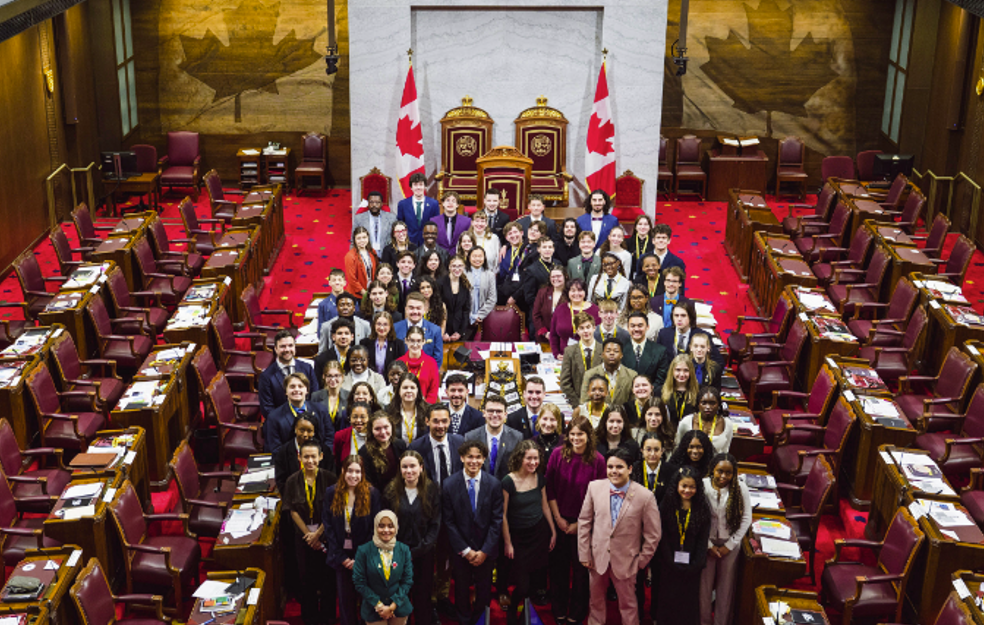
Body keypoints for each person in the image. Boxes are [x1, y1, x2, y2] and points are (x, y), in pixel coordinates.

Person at [578, 446, 662, 625]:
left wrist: (641, 561)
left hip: (627, 561)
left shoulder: (645, 496)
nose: (614, 471)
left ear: (630, 469)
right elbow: (584, 522)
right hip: (597, 558)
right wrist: (584, 553)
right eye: (610, 467)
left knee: (628, 605)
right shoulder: (594, 487)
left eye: (619, 467)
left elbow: (653, 534)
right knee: (595, 602)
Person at [545, 416, 606, 625]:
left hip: (586, 524)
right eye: (572, 434)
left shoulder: (598, 460)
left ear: (589, 436)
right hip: (559, 520)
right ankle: (559, 611)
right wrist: (559, 519)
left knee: (581, 574)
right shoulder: (556, 455)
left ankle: (576, 614)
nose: (575, 438)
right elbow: (549, 487)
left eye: (580, 434)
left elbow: (601, 495)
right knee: (558, 570)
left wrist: (580, 525)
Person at [443, 440, 504, 625]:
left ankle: (480, 620)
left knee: (484, 589)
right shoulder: (449, 484)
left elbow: (497, 520)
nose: (474, 461)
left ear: (484, 458)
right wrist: (466, 550)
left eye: (478, 457)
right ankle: (463, 619)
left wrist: (484, 551)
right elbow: (449, 522)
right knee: (461, 588)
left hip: (486, 550)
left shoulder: (494, 484)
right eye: (470, 456)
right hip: (461, 551)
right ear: (462, 457)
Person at [501, 440, 557, 625]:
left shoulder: (540, 478)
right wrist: (508, 543)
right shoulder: (508, 481)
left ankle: (525, 613)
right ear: (520, 458)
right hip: (518, 538)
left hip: (539, 534)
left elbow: (545, 507)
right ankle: (512, 608)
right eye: (529, 458)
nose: (534, 462)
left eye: (536, 458)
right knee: (522, 585)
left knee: (534, 582)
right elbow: (503, 515)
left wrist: (553, 531)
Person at [323, 455, 382, 625]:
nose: (353, 475)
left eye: (357, 471)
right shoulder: (331, 492)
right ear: (343, 471)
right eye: (350, 471)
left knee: (366, 599)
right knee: (345, 600)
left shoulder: (372, 494)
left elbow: (374, 528)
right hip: (340, 555)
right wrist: (342, 558)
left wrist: (359, 558)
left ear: (363, 473)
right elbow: (328, 527)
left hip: (364, 554)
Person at [284, 439, 338, 625]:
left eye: (313, 456)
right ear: (299, 457)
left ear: (321, 457)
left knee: (328, 578)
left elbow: (334, 509)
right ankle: (310, 618)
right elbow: (292, 510)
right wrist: (308, 534)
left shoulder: (331, 479)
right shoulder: (292, 481)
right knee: (307, 578)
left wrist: (318, 534)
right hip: (303, 537)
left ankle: (328, 617)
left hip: (326, 536)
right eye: (305, 457)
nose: (310, 461)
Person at [383, 452, 440, 625]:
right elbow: (384, 524)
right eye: (405, 467)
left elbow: (435, 524)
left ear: (421, 467)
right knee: (400, 596)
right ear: (400, 469)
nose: (409, 471)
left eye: (413, 466)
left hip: (424, 553)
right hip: (396, 554)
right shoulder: (390, 491)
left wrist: (422, 548)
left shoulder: (432, 490)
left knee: (423, 595)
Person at [699, 453, 752, 625]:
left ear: (734, 473)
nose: (723, 476)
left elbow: (746, 519)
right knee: (704, 588)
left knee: (725, 588)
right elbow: (696, 518)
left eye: (728, 473)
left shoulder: (740, 488)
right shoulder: (703, 485)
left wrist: (730, 545)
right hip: (706, 543)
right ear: (712, 469)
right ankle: (704, 621)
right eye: (720, 471)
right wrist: (708, 545)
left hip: (730, 544)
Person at [656, 465, 711, 625]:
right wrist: (669, 561)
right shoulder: (666, 506)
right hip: (669, 563)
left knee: (688, 603)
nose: (687, 490)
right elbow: (662, 536)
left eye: (692, 487)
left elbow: (703, 539)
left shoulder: (702, 508)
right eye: (684, 486)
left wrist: (696, 564)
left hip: (692, 565)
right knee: (668, 600)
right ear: (677, 486)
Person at [632, 433, 670, 622]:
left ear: (663, 451)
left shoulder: (671, 471)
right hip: (636, 532)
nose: (652, 454)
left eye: (656, 450)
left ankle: (656, 615)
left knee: (660, 578)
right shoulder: (635, 470)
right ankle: (637, 615)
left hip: (662, 532)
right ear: (642, 450)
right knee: (637, 578)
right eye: (648, 449)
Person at [352, 510, 414, 625]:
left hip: (399, 607)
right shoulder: (364, 550)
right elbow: (359, 582)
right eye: (381, 526)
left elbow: (407, 581)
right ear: (375, 527)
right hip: (373, 608)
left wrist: (392, 606)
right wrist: (379, 606)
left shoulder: (404, 550)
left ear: (396, 527)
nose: (386, 530)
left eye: (390, 526)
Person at [264, 372, 335, 457]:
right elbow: (275, 448)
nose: (296, 390)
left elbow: (330, 439)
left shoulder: (321, 410)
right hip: (290, 464)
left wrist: (318, 457)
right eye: (292, 387)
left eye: (300, 386)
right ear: (285, 391)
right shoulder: (274, 417)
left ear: (307, 390)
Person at [259, 330, 318, 419]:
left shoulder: (307, 368)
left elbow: (315, 397)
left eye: (290, 346)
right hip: (281, 424)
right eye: (283, 346)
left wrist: (305, 419)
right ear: (276, 349)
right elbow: (267, 409)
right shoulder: (266, 377)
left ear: (295, 347)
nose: (287, 350)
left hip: (307, 420)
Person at [464, 395, 523, 480]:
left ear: (505, 414)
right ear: (484, 413)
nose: (495, 415)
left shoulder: (517, 437)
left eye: (499, 411)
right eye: (490, 411)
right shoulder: (471, 437)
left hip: (506, 488)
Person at [409, 403, 464, 486]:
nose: (440, 426)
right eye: (435, 421)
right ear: (427, 421)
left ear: (450, 421)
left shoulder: (460, 443)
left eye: (444, 421)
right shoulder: (416, 448)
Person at [656, 302, 722, 368]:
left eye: (683, 315)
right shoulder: (664, 334)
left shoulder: (703, 335)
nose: (679, 319)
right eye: (676, 315)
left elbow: (719, 362)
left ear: (690, 317)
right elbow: (657, 359)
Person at [549, 279, 600, 358]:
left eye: (580, 290)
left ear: (585, 292)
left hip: (589, 357)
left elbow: (600, 336)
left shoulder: (595, 310)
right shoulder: (560, 309)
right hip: (565, 356)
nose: (576, 293)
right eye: (573, 290)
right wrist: (556, 353)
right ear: (568, 293)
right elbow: (553, 335)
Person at [560, 312, 602, 406]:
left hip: (601, 403)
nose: (585, 331)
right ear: (577, 331)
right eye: (581, 328)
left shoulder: (604, 350)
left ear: (594, 328)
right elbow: (565, 383)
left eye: (588, 327)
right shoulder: (569, 351)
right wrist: (578, 404)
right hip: (578, 403)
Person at [273, 414, 323, 494]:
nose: (305, 435)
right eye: (302, 430)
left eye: (309, 431)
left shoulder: (324, 450)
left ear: (314, 432)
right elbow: (281, 482)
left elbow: (328, 480)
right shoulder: (283, 452)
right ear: (295, 429)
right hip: (292, 498)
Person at [677, 386, 734, 454]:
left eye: (712, 403)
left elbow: (725, 451)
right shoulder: (686, 422)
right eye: (704, 403)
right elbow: (678, 448)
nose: (708, 407)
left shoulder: (727, 423)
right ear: (698, 404)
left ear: (719, 405)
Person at [580, 338, 638, 407]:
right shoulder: (590, 374)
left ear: (621, 355)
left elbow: (634, 402)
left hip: (623, 416)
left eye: (616, 351)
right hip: (598, 416)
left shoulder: (632, 375)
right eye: (608, 351)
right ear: (602, 354)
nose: (612, 353)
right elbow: (584, 401)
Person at [360, 412, 408, 491]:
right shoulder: (364, 452)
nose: (383, 432)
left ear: (392, 426)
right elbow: (367, 482)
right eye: (377, 429)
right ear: (371, 431)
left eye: (386, 427)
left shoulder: (400, 445)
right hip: (378, 495)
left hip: (400, 492)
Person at [624, 311, 670, 389]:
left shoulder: (660, 351)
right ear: (628, 328)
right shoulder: (620, 349)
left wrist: (645, 391)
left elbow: (660, 380)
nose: (636, 329)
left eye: (640, 326)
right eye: (632, 326)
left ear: (647, 327)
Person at [394, 293, 443, 362]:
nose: (415, 312)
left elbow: (437, 358)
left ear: (424, 310)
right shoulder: (395, 328)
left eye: (418, 308)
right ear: (406, 309)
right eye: (411, 308)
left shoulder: (435, 330)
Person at [395, 327, 439, 404]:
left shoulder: (431, 363)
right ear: (406, 341)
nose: (415, 345)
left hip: (425, 408)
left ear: (423, 342)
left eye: (419, 341)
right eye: (412, 341)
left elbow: (433, 391)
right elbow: (395, 389)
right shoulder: (399, 362)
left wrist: (425, 408)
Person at [520, 238, 561, 318]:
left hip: (558, 311)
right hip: (540, 314)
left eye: (550, 247)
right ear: (538, 249)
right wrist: (548, 304)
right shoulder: (531, 270)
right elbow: (529, 297)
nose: (547, 250)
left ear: (553, 249)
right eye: (544, 247)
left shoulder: (558, 264)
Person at [396, 172, 440, 246]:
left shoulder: (434, 204)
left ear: (425, 186)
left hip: (427, 243)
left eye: (421, 184)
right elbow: (400, 224)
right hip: (408, 243)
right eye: (415, 185)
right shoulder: (403, 204)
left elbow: (436, 224)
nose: (418, 187)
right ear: (411, 187)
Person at [388, 372, 429, 444]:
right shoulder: (389, 410)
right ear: (399, 391)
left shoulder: (428, 410)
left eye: (412, 388)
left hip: (421, 453)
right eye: (405, 388)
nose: (409, 391)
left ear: (418, 391)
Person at [361, 311, 406, 377]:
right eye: (379, 324)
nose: (381, 328)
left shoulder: (398, 344)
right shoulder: (365, 343)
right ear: (374, 325)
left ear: (390, 326)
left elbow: (401, 367)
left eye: (385, 324)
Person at [497, 222, 532, 307]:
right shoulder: (505, 253)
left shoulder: (529, 251)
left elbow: (529, 278)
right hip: (507, 293)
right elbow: (502, 276)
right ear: (506, 238)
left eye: (515, 232)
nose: (513, 235)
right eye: (510, 234)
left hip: (523, 295)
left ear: (522, 233)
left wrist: (515, 296)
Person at [661, 354, 700, 428]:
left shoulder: (699, 392)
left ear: (691, 372)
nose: (682, 374)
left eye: (686, 370)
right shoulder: (660, 391)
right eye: (678, 370)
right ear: (672, 371)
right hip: (667, 434)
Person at [439, 255, 471, 342]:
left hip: (458, 330)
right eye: (454, 266)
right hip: (443, 329)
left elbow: (466, 310)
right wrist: (442, 331)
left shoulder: (465, 284)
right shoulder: (440, 283)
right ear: (449, 267)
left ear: (464, 267)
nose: (457, 268)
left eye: (460, 266)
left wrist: (461, 332)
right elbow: (437, 309)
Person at [353, 191, 396, 256]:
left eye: (377, 202)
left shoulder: (391, 218)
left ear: (381, 204)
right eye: (371, 202)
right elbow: (353, 240)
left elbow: (395, 239)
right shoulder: (359, 218)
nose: (374, 205)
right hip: (365, 254)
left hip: (386, 254)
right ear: (368, 203)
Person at [333, 401, 372, 472]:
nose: (358, 420)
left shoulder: (375, 436)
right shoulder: (340, 436)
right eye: (355, 417)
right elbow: (338, 463)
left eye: (363, 417)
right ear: (350, 418)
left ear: (369, 418)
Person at [532, 267, 567, 341]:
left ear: (565, 276)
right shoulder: (542, 292)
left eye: (558, 276)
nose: (556, 279)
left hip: (563, 339)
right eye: (553, 277)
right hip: (544, 338)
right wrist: (545, 333)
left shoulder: (570, 293)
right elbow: (536, 315)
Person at [312, 361, 349, 430]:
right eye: (329, 376)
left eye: (336, 375)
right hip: (322, 438)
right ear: (324, 376)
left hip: (343, 438)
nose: (332, 379)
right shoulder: (315, 396)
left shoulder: (349, 396)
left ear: (342, 377)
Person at [316, 316, 354, 383]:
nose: (343, 337)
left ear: (352, 337)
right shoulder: (321, 359)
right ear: (333, 337)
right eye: (339, 333)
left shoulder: (358, 357)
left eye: (346, 333)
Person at [464, 246, 497, 326]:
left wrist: (479, 315)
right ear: (469, 257)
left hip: (484, 317)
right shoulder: (463, 273)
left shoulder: (490, 275)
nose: (477, 259)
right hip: (464, 317)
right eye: (474, 256)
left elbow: (492, 298)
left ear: (484, 258)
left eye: (480, 256)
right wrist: (470, 315)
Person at [344, 227, 378, 299]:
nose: (362, 240)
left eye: (364, 237)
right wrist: (364, 293)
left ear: (368, 238)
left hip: (371, 291)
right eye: (359, 238)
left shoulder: (372, 252)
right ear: (355, 240)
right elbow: (352, 279)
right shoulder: (350, 256)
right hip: (356, 295)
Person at [652, 223, 686, 292]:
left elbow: (680, 288)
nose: (661, 240)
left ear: (669, 241)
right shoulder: (643, 259)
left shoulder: (678, 262)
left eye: (664, 238)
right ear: (653, 241)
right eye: (658, 238)